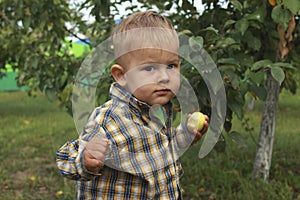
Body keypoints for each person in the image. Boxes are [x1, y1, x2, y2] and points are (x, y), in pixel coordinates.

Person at [56, 11, 209, 199]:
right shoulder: (109, 118)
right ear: (121, 75)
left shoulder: (156, 110)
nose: (164, 77)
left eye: (171, 65)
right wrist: (86, 159)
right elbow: (65, 158)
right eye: (149, 68)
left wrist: (184, 136)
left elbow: (158, 151)